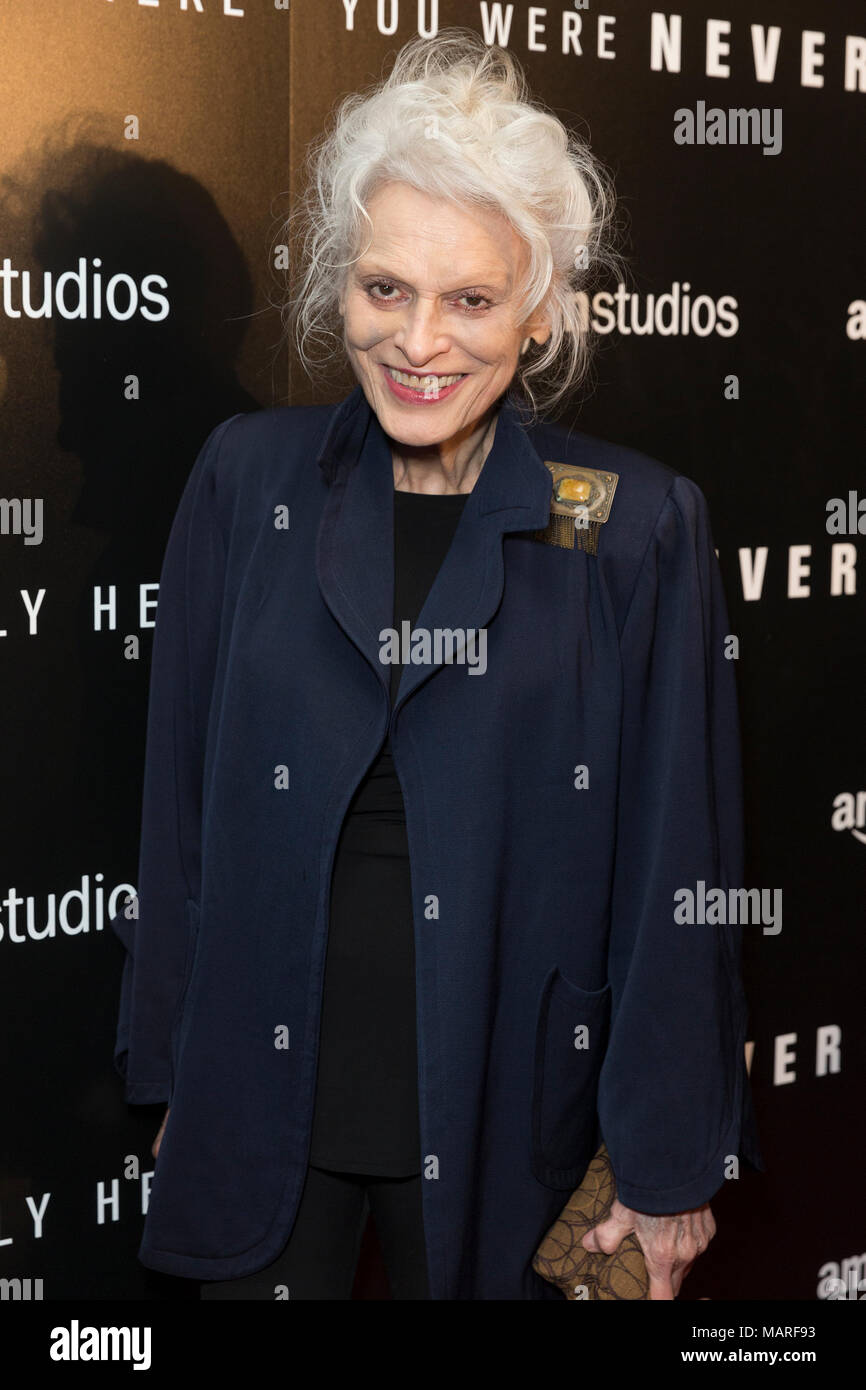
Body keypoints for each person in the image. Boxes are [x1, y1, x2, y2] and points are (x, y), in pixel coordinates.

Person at [111, 30, 762, 1301]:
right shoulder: (246, 481)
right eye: (382, 289)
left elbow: (678, 864)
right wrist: (174, 1073)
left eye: (468, 299)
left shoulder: (634, 525)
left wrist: (665, 1155)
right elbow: (177, 815)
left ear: (537, 315)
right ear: (335, 293)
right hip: (261, 1108)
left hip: (507, 1111)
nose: (418, 342)